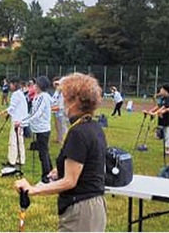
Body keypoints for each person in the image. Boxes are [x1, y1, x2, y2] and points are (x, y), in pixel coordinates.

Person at [15, 73, 107, 232]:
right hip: (92, 206)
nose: (61, 101)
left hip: (82, 209)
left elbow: (70, 181)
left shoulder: (79, 132)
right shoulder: (93, 127)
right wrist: (59, 171)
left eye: (64, 97)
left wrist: (34, 189)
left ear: (76, 101)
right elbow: (86, 164)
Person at [15, 76, 53, 184]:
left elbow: (37, 113)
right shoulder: (37, 96)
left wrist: (22, 122)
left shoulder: (43, 97)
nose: (34, 86)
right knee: (44, 152)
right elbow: (32, 112)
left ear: (41, 86)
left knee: (43, 153)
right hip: (38, 129)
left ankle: (46, 176)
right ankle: (50, 172)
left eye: (36, 85)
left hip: (43, 129)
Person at [0, 76, 29, 168]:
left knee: (13, 141)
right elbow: (14, 108)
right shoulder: (20, 94)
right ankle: (20, 159)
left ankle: (12, 161)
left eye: (10, 84)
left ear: (14, 84)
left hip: (17, 121)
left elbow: (12, 107)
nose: (10, 86)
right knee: (20, 140)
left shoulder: (15, 94)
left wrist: (2, 112)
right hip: (21, 120)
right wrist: (8, 114)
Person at [146, 84, 169, 156]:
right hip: (163, 120)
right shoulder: (163, 98)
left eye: (162, 90)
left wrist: (155, 113)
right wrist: (150, 111)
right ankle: (167, 149)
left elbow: (163, 108)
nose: (160, 91)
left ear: (166, 91)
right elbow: (158, 106)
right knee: (166, 135)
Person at [51, 77, 68, 144]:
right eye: (56, 84)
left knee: (63, 126)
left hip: (61, 110)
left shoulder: (63, 92)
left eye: (58, 84)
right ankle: (59, 139)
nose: (57, 86)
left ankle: (65, 140)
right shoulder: (56, 92)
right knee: (57, 126)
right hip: (56, 110)